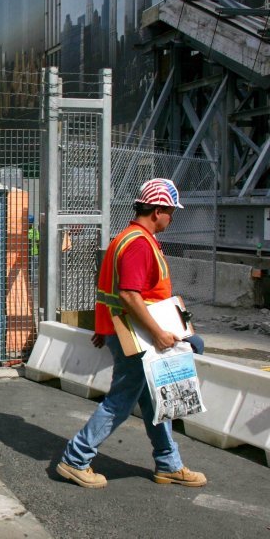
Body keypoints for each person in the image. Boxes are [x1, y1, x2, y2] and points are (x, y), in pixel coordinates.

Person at [56, 178, 207, 489]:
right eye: (171, 212)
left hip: (129, 333)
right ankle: (75, 459)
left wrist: (103, 328)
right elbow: (128, 295)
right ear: (158, 210)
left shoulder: (126, 238)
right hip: (140, 338)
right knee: (120, 401)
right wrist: (161, 334)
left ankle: (169, 463)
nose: (172, 218)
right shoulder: (139, 243)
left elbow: (108, 292)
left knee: (155, 401)